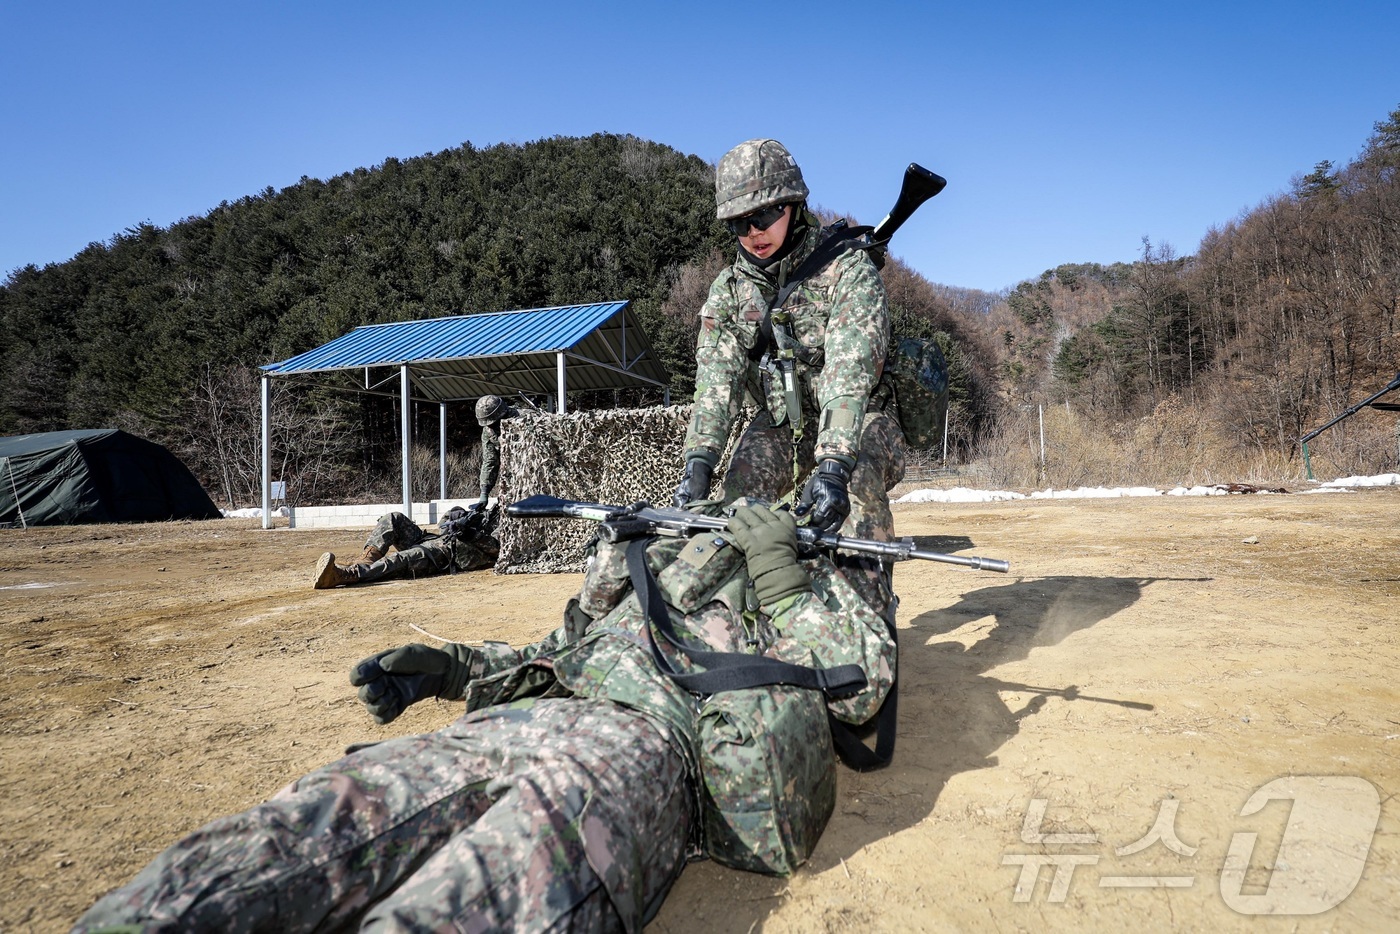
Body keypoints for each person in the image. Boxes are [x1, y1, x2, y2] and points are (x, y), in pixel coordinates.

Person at [74, 502, 896, 932]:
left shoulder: (800, 571)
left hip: (645, 747)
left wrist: (784, 573)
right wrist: (457, 670)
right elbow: (560, 644)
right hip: (522, 715)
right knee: (321, 816)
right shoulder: (657, 555)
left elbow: (859, 690)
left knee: (490, 886)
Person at [673, 138, 906, 617]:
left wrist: (834, 465)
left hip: (859, 421)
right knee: (738, 510)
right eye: (739, 222)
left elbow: (850, 369)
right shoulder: (730, 292)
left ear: (794, 206)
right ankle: (742, 623)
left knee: (856, 494)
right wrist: (698, 462)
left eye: (764, 216)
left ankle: (868, 621)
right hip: (782, 423)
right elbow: (718, 381)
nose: (752, 231)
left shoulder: (848, 269)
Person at [312, 504, 499, 589]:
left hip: (447, 553)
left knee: (401, 560)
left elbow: (497, 550)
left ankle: (345, 575)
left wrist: (471, 533)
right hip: (432, 540)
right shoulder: (488, 511)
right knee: (393, 518)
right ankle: (366, 559)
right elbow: (443, 526)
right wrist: (453, 515)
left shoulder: (510, 523)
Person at [473, 393, 519, 511]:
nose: (491, 425)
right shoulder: (488, 431)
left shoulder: (524, 419)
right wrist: (484, 492)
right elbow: (490, 460)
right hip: (513, 477)